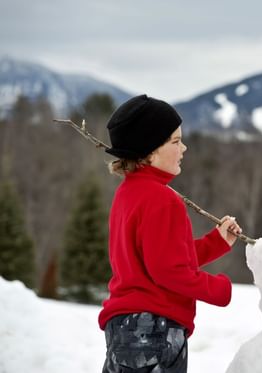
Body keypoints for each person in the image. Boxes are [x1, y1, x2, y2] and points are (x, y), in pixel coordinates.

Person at [98, 94, 242, 373]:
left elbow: (162, 255)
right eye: (175, 141)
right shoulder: (162, 199)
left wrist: (216, 242)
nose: (184, 148)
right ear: (149, 151)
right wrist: (220, 289)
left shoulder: (129, 193)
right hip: (152, 331)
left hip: (124, 329)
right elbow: (169, 271)